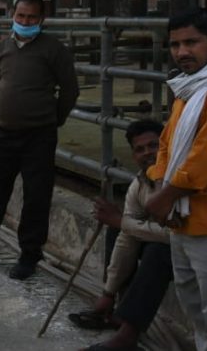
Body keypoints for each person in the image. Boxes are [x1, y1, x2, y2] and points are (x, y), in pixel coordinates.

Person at [0, 0, 79, 280]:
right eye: (21, 16)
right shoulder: (4, 46)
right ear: (12, 14)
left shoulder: (53, 49)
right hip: (5, 133)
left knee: (36, 196)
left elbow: (70, 90)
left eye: (32, 17)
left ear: (41, 20)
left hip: (39, 136)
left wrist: (54, 118)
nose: (25, 21)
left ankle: (29, 255)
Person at [145, 8, 207, 351]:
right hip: (182, 218)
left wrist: (167, 194)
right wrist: (160, 182)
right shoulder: (189, 87)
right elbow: (167, 142)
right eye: (175, 44)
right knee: (196, 311)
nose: (182, 52)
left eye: (191, 42)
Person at [71, 120, 172, 351]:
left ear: (166, 145)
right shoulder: (140, 183)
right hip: (163, 240)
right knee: (119, 231)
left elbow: (176, 236)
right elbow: (127, 236)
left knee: (158, 251)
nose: (147, 153)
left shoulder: (176, 179)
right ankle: (118, 310)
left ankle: (128, 336)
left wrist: (122, 221)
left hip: (193, 249)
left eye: (153, 146)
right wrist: (108, 292)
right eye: (139, 149)